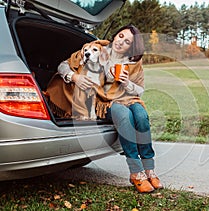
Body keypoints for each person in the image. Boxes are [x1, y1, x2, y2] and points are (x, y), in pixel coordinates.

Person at [46, 24, 162, 193]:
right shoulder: (96, 49)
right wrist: (75, 77)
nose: (121, 42)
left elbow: (140, 90)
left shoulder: (134, 62)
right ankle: (136, 172)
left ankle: (149, 169)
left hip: (127, 97)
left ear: (132, 47)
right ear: (115, 36)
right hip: (101, 101)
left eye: (128, 42)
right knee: (124, 115)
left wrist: (126, 83)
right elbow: (63, 65)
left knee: (141, 116)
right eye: (120, 36)